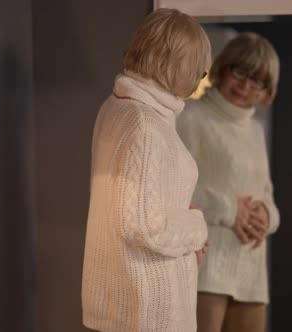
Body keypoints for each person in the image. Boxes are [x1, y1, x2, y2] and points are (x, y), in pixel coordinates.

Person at [81, 8, 211, 332]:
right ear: (178, 65)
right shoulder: (144, 125)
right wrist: (195, 228)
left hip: (128, 303)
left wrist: (180, 222)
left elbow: (130, 208)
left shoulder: (115, 108)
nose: (201, 76)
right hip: (150, 310)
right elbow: (143, 225)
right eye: (198, 67)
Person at [176, 32, 281, 332]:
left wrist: (267, 217)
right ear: (223, 68)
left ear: (266, 89)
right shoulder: (189, 117)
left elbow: (268, 197)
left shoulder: (256, 132)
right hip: (206, 266)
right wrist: (228, 209)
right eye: (240, 72)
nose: (246, 86)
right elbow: (171, 191)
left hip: (251, 269)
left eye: (257, 81)